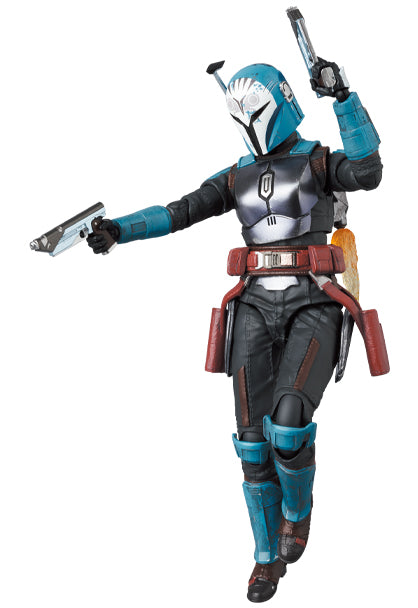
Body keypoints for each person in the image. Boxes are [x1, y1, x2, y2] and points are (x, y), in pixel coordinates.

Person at [87, 59, 382, 603]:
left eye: (256, 111)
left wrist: (343, 98)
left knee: (288, 425)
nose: (249, 123)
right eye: (239, 113)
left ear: (280, 104)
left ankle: (298, 511)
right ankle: (265, 558)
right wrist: (118, 230)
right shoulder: (236, 174)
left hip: (313, 300)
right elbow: (180, 211)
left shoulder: (317, 161)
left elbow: (367, 172)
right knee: (251, 442)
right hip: (251, 306)